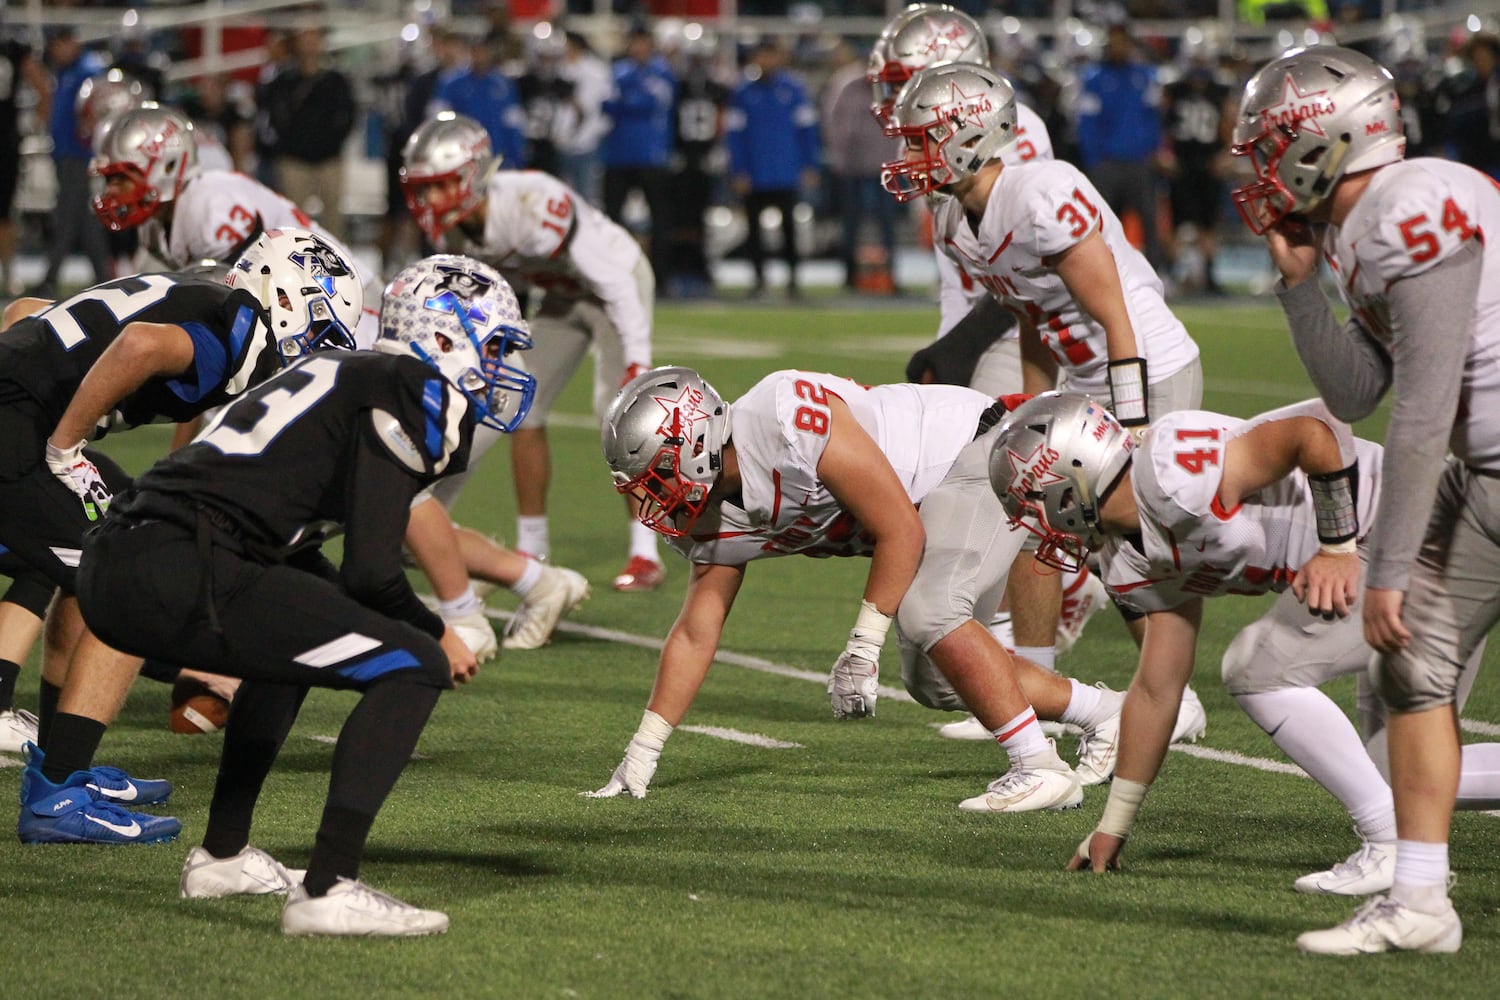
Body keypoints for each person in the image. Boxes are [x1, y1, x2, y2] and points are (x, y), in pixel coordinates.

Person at [74, 254, 535, 935]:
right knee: (414, 667)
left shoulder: (337, 371)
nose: (500, 365)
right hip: (184, 560)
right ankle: (329, 887)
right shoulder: (412, 386)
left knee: (296, 627)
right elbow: (373, 573)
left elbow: (310, 555)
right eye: (493, 345)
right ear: (441, 338)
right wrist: (438, 632)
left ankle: (222, 856)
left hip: (122, 555)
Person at [91, 105, 579, 657]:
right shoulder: (167, 220)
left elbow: (250, 312)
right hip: (302, 328)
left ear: (163, 166)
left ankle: (471, 612)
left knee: (390, 489)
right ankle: (529, 583)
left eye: (120, 175)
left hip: (337, 324)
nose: (111, 189)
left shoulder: (211, 206)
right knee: (363, 496)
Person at [588, 367, 1200, 808]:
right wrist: (644, 750)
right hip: (929, 501)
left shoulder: (782, 419)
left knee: (929, 610)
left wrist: (861, 645)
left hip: (979, 452)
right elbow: (697, 630)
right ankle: (1109, 714)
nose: (650, 495)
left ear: (693, 444)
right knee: (936, 680)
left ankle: (1038, 766)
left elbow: (899, 530)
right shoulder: (711, 519)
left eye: (654, 474)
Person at [990, 392, 1500, 896]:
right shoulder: (1129, 558)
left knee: (1257, 671)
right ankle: (1393, 833)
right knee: (1397, 769)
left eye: (1031, 502)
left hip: (1418, 529)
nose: (1038, 522)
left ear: (1071, 478)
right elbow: (1157, 688)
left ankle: (1388, 844)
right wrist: (1114, 823)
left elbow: (1316, 427)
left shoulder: (1169, 473)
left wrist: (1336, 547)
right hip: (1410, 545)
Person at [1229, 43, 1500, 954]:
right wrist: (1303, 289)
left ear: (1322, 141)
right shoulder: (1359, 224)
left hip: (1479, 464)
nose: (1258, 172)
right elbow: (1356, 396)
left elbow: (1422, 410)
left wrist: (1382, 566)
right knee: (1409, 674)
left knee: (1405, 656)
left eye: (1268, 147)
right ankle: (1421, 903)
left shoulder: (1413, 203)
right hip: (1487, 470)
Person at [7, 228, 361, 845]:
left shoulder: (192, 292)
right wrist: (63, 443)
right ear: (283, 293)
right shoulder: (238, 329)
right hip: (21, 436)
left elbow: (26, 313)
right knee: (134, 580)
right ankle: (57, 794)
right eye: (320, 326)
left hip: (18, 417)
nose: (316, 348)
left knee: (113, 541)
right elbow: (140, 344)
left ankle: (62, 763)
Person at [401, 111, 665, 593]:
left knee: (618, 411)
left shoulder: (533, 201)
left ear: (473, 175)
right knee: (519, 401)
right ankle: (532, 547)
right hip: (561, 296)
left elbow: (614, 283)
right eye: (424, 188)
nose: (430, 199)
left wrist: (638, 360)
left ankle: (646, 553)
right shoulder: (455, 229)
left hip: (614, 286)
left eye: (440, 185)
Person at [726, 40, 820, 298]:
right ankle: (759, 280)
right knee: (753, 230)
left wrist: (809, 164)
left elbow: (807, 130)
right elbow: (734, 135)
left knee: (789, 228)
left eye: (770, 55)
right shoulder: (743, 92)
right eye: (762, 56)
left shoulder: (794, 89)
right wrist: (739, 169)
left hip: (785, 171)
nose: (766, 61)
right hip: (755, 173)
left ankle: (793, 280)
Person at [33, 28, 109, 298]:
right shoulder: (66, 71)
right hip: (65, 153)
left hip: (79, 154)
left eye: (58, 44)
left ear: (70, 43)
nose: (54, 50)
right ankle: (104, 277)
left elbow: (94, 112)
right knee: (83, 220)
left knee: (65, 218)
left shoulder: (88, 70)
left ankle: (49, 279)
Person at [262, 26, 356, 240]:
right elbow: (274, 115)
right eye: (305, 38)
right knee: (292, 219)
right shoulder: (283, 81)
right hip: (294, 158)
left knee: (333, 218)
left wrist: (335, 142)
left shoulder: (336, 80)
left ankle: (337, 264)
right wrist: (287, 143)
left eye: (314, 38)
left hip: (328, 157)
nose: (310, 44)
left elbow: (349, 115)